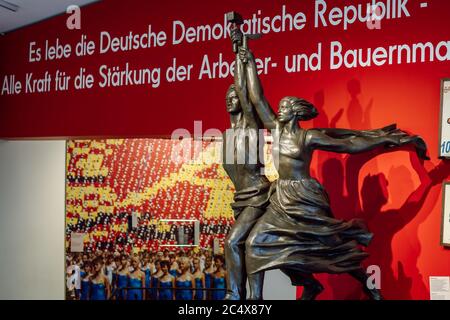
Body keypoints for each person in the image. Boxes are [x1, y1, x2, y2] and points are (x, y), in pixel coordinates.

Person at [239, 42, 428, 300]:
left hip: (305, 197)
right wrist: (248, 59)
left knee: (328, 247)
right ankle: (255, 301)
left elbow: (350, 144)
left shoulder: (308, 137)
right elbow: (257, 97)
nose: (278, 109)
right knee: (255, 244)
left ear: (295, 113)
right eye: (280, 106)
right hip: (281, 199)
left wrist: (387, 140)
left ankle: (365, 281)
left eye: (284, 106)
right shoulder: (276, 128)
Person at [221, 31, 272, 300]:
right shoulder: (227, 137)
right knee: (249, 249)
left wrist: (240, 52)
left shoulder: (250, 125)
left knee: (231, 242)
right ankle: (254, 298)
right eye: (227, 95)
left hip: (257, 197)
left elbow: (244, 88)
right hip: (240, 201)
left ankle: (234, 295)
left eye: (234, 94)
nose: (230, 97)